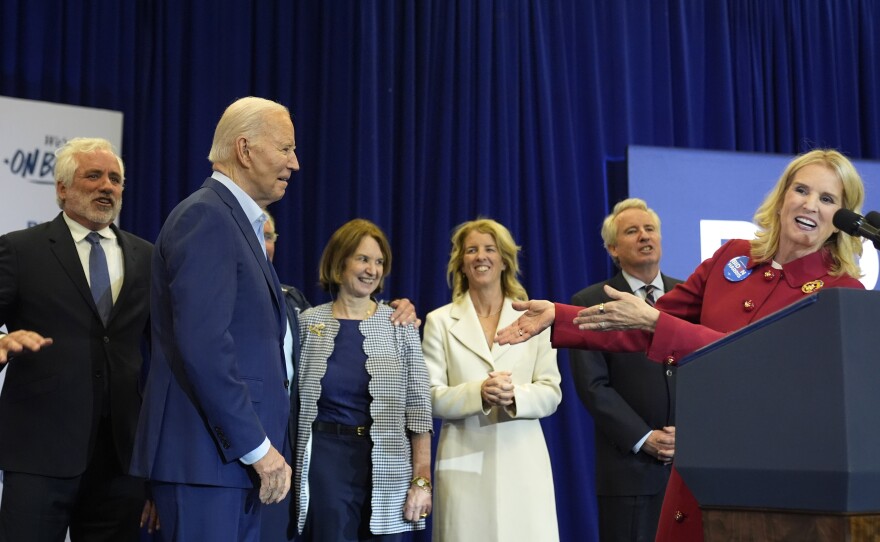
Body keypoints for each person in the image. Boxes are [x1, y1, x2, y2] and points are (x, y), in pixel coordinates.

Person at [496, 149, 866, 542]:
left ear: (842, 220)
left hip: (772, 475)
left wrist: (656, 321)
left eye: (827, 199)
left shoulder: (842, 291)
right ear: (782, 196)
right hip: (698, 462)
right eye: (802, 190)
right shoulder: (732, 257)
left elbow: (764, 364)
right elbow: (640, 326)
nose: (810, 204)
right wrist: (561, 316)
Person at [131, 96, 297, 541]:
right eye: (285, 149)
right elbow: (204, 346)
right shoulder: (207, 216)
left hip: (227, 463)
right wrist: (258, 448)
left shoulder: (236, 222)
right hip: (207, 460)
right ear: (244, 150)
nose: (294, 163)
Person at [0, 137, 157, 541]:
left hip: (122, 459)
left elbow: (166, 356)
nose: (108, 186)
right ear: (63, 188)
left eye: (116, 179)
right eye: (94, 176)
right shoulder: (20, 250)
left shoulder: (147, 257)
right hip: (39, 452)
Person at [259, 211, 420, 542]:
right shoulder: (307, 322)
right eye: (362, 258)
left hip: (387, 461)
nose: (371, 269)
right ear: (340, 262)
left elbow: (418, 407)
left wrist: (422, 480)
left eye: (378, 261)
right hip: (326, 460)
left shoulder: (400, 324)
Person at [422, 218, 562, 541]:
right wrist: (480, 394)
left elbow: (551, 391)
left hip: (523, 460)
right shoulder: (440, 322)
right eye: (471, 250)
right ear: (461, 263)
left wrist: (514, 396)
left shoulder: (534, 319)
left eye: (489, 249)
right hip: (463, 458)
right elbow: (430, 396)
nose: (480, 256)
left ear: (503, 260)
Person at [569, 198, 680, 542]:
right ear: (614, 249)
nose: (645, 236)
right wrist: (645, 438)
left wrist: (690, 433)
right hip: (629, 469)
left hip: (689, 469)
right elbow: (593, 386)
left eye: (650, 229)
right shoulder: (589, 303)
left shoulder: (688, 296)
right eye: (632, 231)